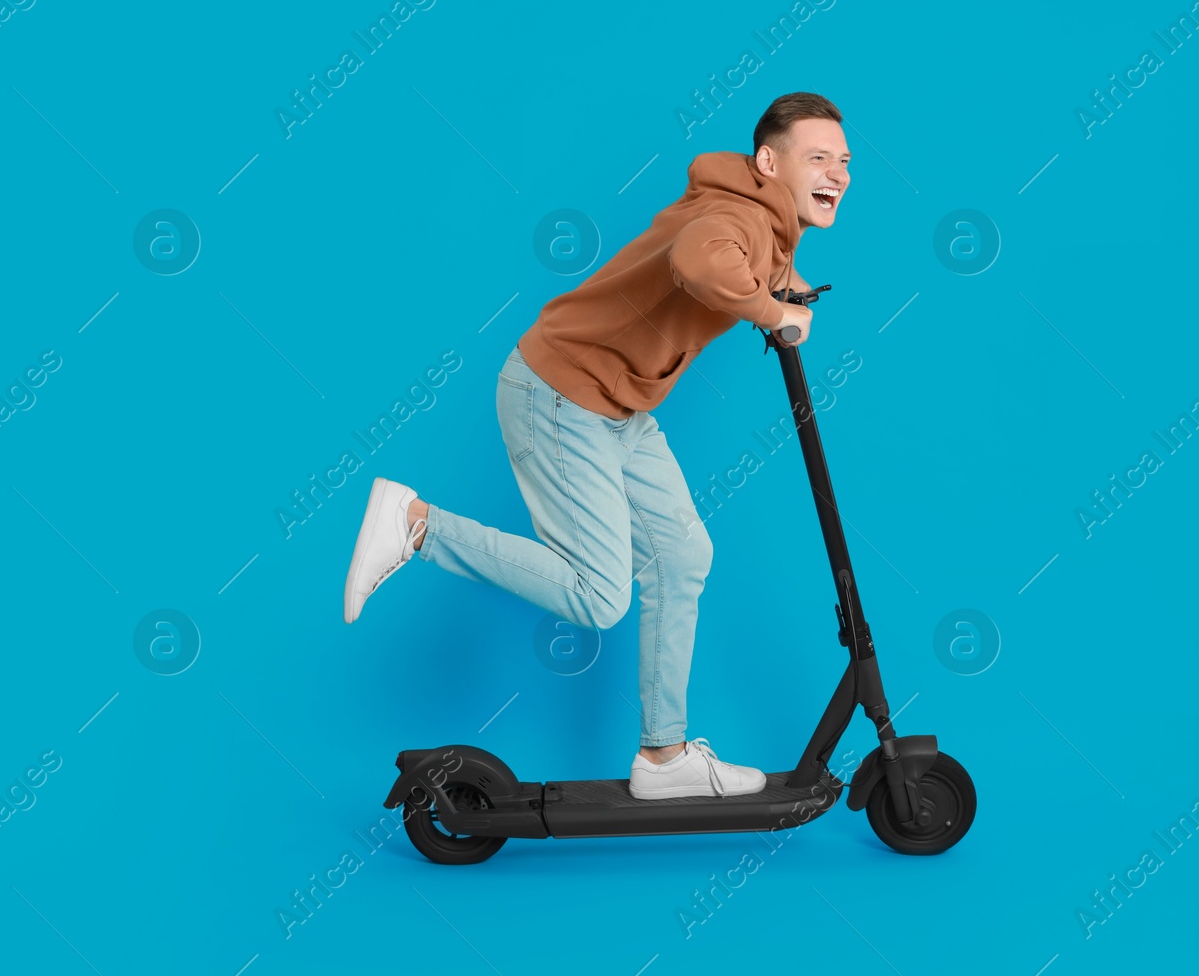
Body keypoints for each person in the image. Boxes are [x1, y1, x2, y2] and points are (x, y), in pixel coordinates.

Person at [343, 92, 851, 800]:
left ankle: (665, 758)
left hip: (617, 406)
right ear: (769, 161)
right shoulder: (734, 215)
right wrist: (774, 310)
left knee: (682, 556)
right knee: (598, 595)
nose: (838, 171)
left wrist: (779, 279)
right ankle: (417, 524)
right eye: (818, 156)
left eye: (845, 160)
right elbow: (700, 260)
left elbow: (736, 253)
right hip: (562, 394)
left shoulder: (756, 216)